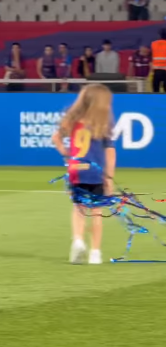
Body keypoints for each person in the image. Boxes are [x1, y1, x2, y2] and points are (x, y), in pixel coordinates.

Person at [52, 84, 116, 265]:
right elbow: (110, 153)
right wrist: (109, 177)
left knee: (79, 208)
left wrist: (66, 153)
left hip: (76, 171)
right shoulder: (103, 123)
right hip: (96, 173)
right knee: (96, 212)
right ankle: (95, 252)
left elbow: (56, 137)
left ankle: (78, 241)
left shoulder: (73, 119)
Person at [150, 29, 166, 93]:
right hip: (165, 71)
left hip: (156, 71)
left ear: (159, 35)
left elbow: (151, 56)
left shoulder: (153, 44)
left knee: (155, 90)